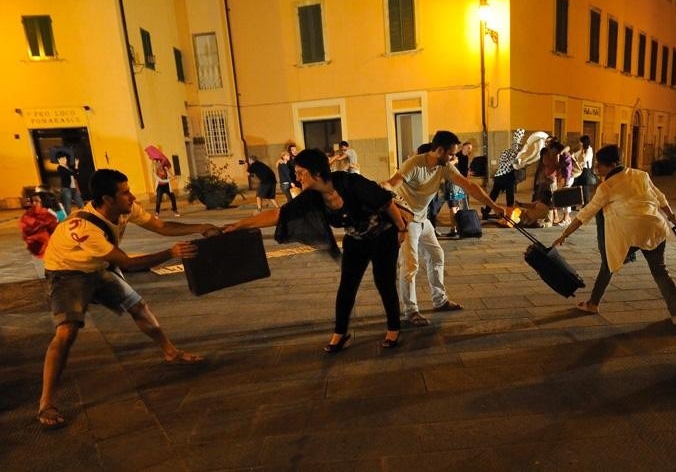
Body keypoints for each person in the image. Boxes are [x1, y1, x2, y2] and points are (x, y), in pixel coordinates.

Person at [37, 169, 219, 429]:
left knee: (139, 307)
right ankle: (46, 402)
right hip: (67, 273)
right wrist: (171, 253)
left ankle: (171, 353)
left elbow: (161, 226)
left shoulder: (125, 209)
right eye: (125, 193)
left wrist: (203, 227)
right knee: (66, 332)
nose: (132, 197)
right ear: (107, 199)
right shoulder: (85, 228)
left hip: (98, 266)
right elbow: (128, 264)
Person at [225, 149, 408, 352]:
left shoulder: (350, 182)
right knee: (347, 285)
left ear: (317, 173)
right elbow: (279, 214)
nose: (297, 177)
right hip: (356, 239)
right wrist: (238, 225)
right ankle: (340, 333)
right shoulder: (312, 197)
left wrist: (401, 228)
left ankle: (394, 328)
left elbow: (386, 202)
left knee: (384, 281)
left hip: (383, 235)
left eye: (301, 172)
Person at [382, 130, 507, 326]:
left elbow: (469, 186)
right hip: (408, 221)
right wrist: (385, 188)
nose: (453, 158)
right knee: (410, 266)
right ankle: (411, 311)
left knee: (437, 256)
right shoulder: (414, 164)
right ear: (439, 150)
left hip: (423, 219)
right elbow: (392, 183)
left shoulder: (444, 166)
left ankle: (439, 300)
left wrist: (494, 206)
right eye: (451, 153)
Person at [551, 146, 676, 323]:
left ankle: (593, 304)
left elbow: (586, 213)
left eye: (600, 165)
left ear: (612, 165)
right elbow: (660, 197)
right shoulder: (641, 175)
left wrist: (565, 234)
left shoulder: (606, 187)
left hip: (627, 232)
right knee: (660, 272)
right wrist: (672, 218)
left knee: (608, 265)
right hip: (654, 226)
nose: (597, 168)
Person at [482, 129, 526, 219]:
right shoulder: (510, 153)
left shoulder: (512, 153)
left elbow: (514, 164)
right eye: (516, 145)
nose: (517, 147)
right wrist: (517, 161)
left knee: (503, 196)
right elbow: (506, 163)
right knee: (501, 195)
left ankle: (489, 212)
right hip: (504, 176)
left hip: (504, 176)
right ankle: (489, 212)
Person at [20, 192, 60, 278]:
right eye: (33, 201)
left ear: (44, 201)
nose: (34, 203)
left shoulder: (51, 213)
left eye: (37, 201)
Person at [441, 141, 473, 237]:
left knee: (455, 206)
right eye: (468, 147)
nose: (469, 150)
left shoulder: (462, 157)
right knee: (454, 206)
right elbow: (445, 165)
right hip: (453, 182)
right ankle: (456, 228)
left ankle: (455, 228)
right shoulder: (454, 156)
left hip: (457, 183)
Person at [571, 135, 596, 202]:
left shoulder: (589, 149)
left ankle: (586, 203)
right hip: (579, 169)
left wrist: (581, 153)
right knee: (577, 187)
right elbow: (574, 155)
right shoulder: (582, 149)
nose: (579, 143)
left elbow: (584, 159)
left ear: (584, 142)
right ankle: (577, 202)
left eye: (581, 141)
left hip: (585, 170)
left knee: (585, 187)